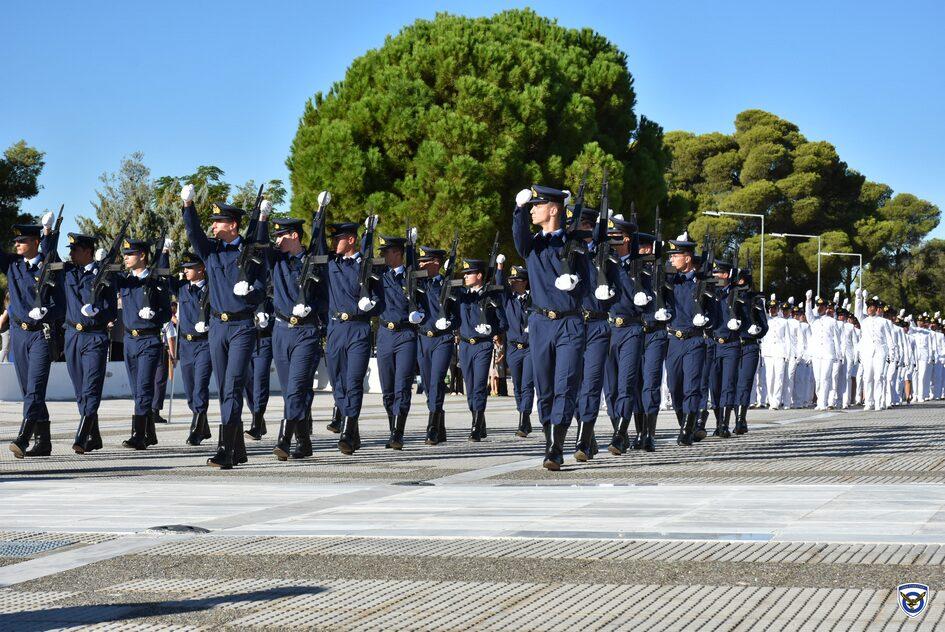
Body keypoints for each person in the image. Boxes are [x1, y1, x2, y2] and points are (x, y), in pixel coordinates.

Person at [180, 184, 269, 469]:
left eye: (218, 222)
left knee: (232, 386)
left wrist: (250, 292)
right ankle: (238, 449)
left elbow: (262, 287)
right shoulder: (212, 252)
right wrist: (188, 206)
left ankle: (225, 450)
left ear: (232, 225)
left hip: (242, 326)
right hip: (218, 326)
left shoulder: (252, 251)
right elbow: (194, 235)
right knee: (223, 388)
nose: (213, 226)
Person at [512, 185, 588, 471]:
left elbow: (593, 282)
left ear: (554, 209)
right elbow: (519, 240)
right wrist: (518, 211)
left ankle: (556, 447)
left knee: (565, 385)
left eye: (537, 205)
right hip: (541, 323)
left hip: (570, 321)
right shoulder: (533, 245)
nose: (533, 209)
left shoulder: (575, 243)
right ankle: (548, 440)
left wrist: (577, 283)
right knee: (544, 389)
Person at [261, 217, 328, 461]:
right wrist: (262, 218)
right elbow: (258, 241)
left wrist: (311, 307)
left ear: (296, 236)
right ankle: (305, 441)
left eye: (282, 236)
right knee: (293, 390)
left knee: (297, 387)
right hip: (280, 332)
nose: (277, 240)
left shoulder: (314, 262)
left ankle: (284, 439)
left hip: (306, 332)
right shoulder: (276, 260)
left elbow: (326, 298)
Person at [3, 213, 64, 458]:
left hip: (42, 334)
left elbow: (62, 305)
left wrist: (46, 311)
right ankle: (44, 442)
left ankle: (24, 436)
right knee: (28, 388)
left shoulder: (52, 266)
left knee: (35, 388)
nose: (17, 245)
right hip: (19, 334)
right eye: (16, 242)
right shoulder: (11, 265)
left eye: (23, 241)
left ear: (36, 242)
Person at [321, 219, 382, 455]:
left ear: (351, 240)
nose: (334, 243)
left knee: (354, 381)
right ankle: (352, 428)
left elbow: (381, 302)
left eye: (339, 239)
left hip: (359, 328)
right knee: (337, 382)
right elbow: (316, 245)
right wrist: (320, 214)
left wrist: (371, 306)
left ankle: (347, 431)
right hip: (336, 329)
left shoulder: (368, 267)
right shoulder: (330, 263)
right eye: (333, 239)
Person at [61, 232, 118, 454]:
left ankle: (83, 435)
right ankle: (94, 436)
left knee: (91, 386)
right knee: (79, 390)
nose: (71, 253)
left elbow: (112, 310)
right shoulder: (67, 272)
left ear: (87, 251)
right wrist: (48, 234)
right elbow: (48, 256)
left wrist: (98, 311)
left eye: (75, 250)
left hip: (95, 336)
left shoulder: (104, 275)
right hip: (72, 336)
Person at [114, 238, 172, 450]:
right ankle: (150, 434)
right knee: (137, 390)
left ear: (143, 256)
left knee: (145, 387)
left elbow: (166, 312)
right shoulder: (126, 281)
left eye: (130, 254)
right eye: (125, 254)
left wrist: (154, 314)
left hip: (149, 339)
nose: (126, 258)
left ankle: (138, 435)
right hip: (129, 340)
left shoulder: (157, 282)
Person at [375, 234, 423, 450]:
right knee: (387, 388)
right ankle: (391, 425)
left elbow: (425, 302)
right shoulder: (379, 276)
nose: (383, 257)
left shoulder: (413, 277)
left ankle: (398, 432)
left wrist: (419, 314)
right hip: (385, 333)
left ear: (398, 254)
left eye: (386, 253)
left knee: (402, 385)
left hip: (406, 335)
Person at [663, 232, 710, 446]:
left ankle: (686, 430)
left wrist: (706, 319)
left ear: (688, 258)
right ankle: (685, 422)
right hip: (674, 340)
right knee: (674, 387)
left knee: (691, 386)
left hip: (694, 340)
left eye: (676, 255)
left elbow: (716, 314)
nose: (671, 259)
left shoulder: (703, 284)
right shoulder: (670, 282)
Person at [454, 259, 508, 441]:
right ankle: (479, 420)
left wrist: (491, 330)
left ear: (478, 275)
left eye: (469, 273)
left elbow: (503, 323)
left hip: (483, 345)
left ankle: (476, 427)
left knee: (478, 386)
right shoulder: (461, 295)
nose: (465, 276)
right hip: (465, 345)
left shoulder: (491, 296)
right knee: (469, 387)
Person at [168, 252, 214, 446]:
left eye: (189, 267)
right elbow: (165, 278)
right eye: (184, 268)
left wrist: (211, 324)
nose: (185, 271)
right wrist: (164, 253)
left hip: (205, 343)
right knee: (189, 390)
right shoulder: (182, 289)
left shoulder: (213, 289)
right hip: (186, 344)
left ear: (201, 269)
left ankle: (196, 431)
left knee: (200, 387)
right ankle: (203, 426)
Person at [416, 245, 455, 444]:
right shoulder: (417, 284)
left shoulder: (448, 285)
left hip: (442, 339)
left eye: (425, 261)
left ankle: (432, 427)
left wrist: (450, 322)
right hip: (423, 338)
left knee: (436, 381)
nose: (420, 264)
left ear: (436, 263)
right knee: (427, 383)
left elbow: (459, 313)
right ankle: (439, 422)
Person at [495, 262, 535, 438]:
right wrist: (500, 267)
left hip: (530, 348)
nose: (512, 283)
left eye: (516, 280)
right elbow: (500, 285)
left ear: (524, 282)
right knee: (517, 385)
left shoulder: (534, 299)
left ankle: (523, 420)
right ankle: (523, 415)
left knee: (527, 384)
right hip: (513, 348)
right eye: (511, 280)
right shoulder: (508, 299)